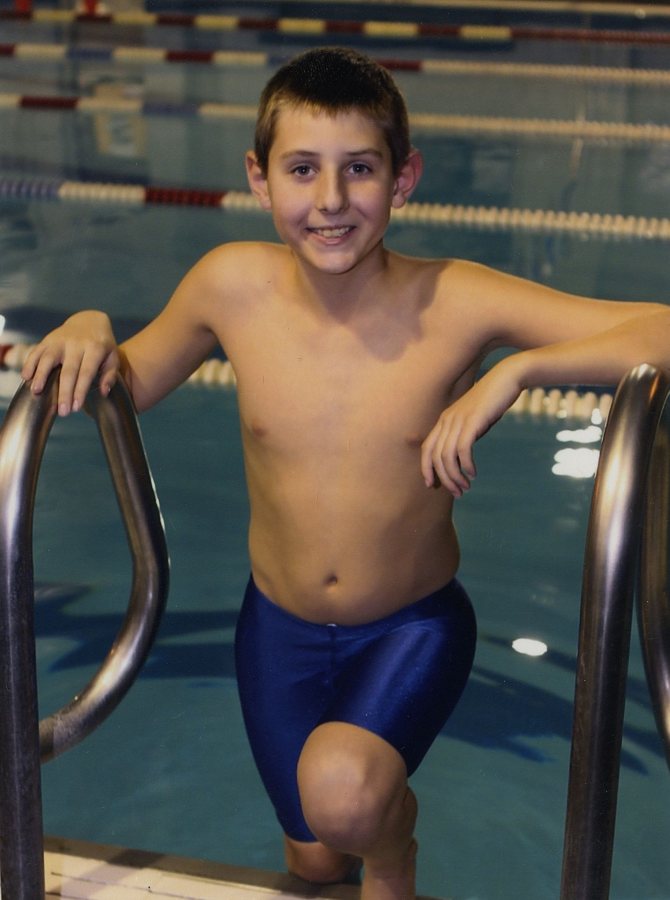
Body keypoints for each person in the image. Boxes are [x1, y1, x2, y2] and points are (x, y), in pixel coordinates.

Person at [21, 47, 670, 900]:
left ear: (403, 181)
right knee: (316, 862)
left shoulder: (454, 300)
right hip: (275, 635)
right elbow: (126, 383)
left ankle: (397, 850)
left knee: (348, 800)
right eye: (302, 170)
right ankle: (362, 843)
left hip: (409, 629)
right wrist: (90, 323)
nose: (330, 201)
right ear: (260, 178)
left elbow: (658, 328)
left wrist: (514, 373)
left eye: (359, 169)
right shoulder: (230, 286)